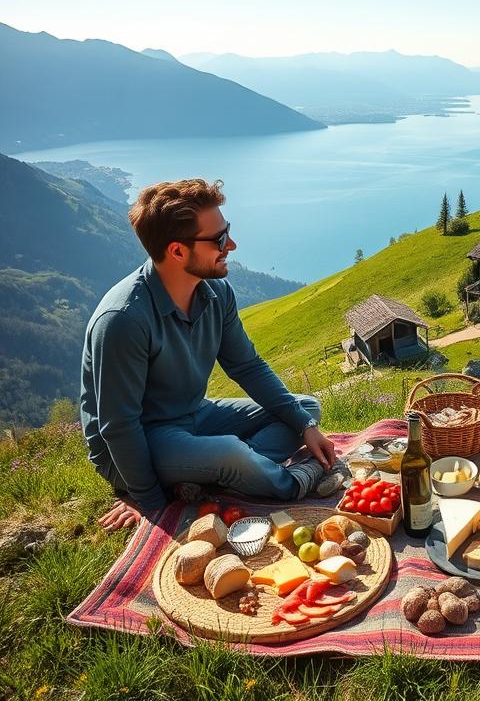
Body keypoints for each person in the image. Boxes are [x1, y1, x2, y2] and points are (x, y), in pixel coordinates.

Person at [81, 178, 337, 531]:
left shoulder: (216, 292)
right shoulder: (123, 320)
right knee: (229, 452)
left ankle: (214, 474)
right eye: (218, 239)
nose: (230, 244)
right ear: (177, 251)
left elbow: (247, 366)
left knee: (305, 409)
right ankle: (291, 482)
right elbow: (119, 426)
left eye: (226, 231)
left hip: (193, 415)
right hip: (141, 438)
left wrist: (305, 426)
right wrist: (151, 503)